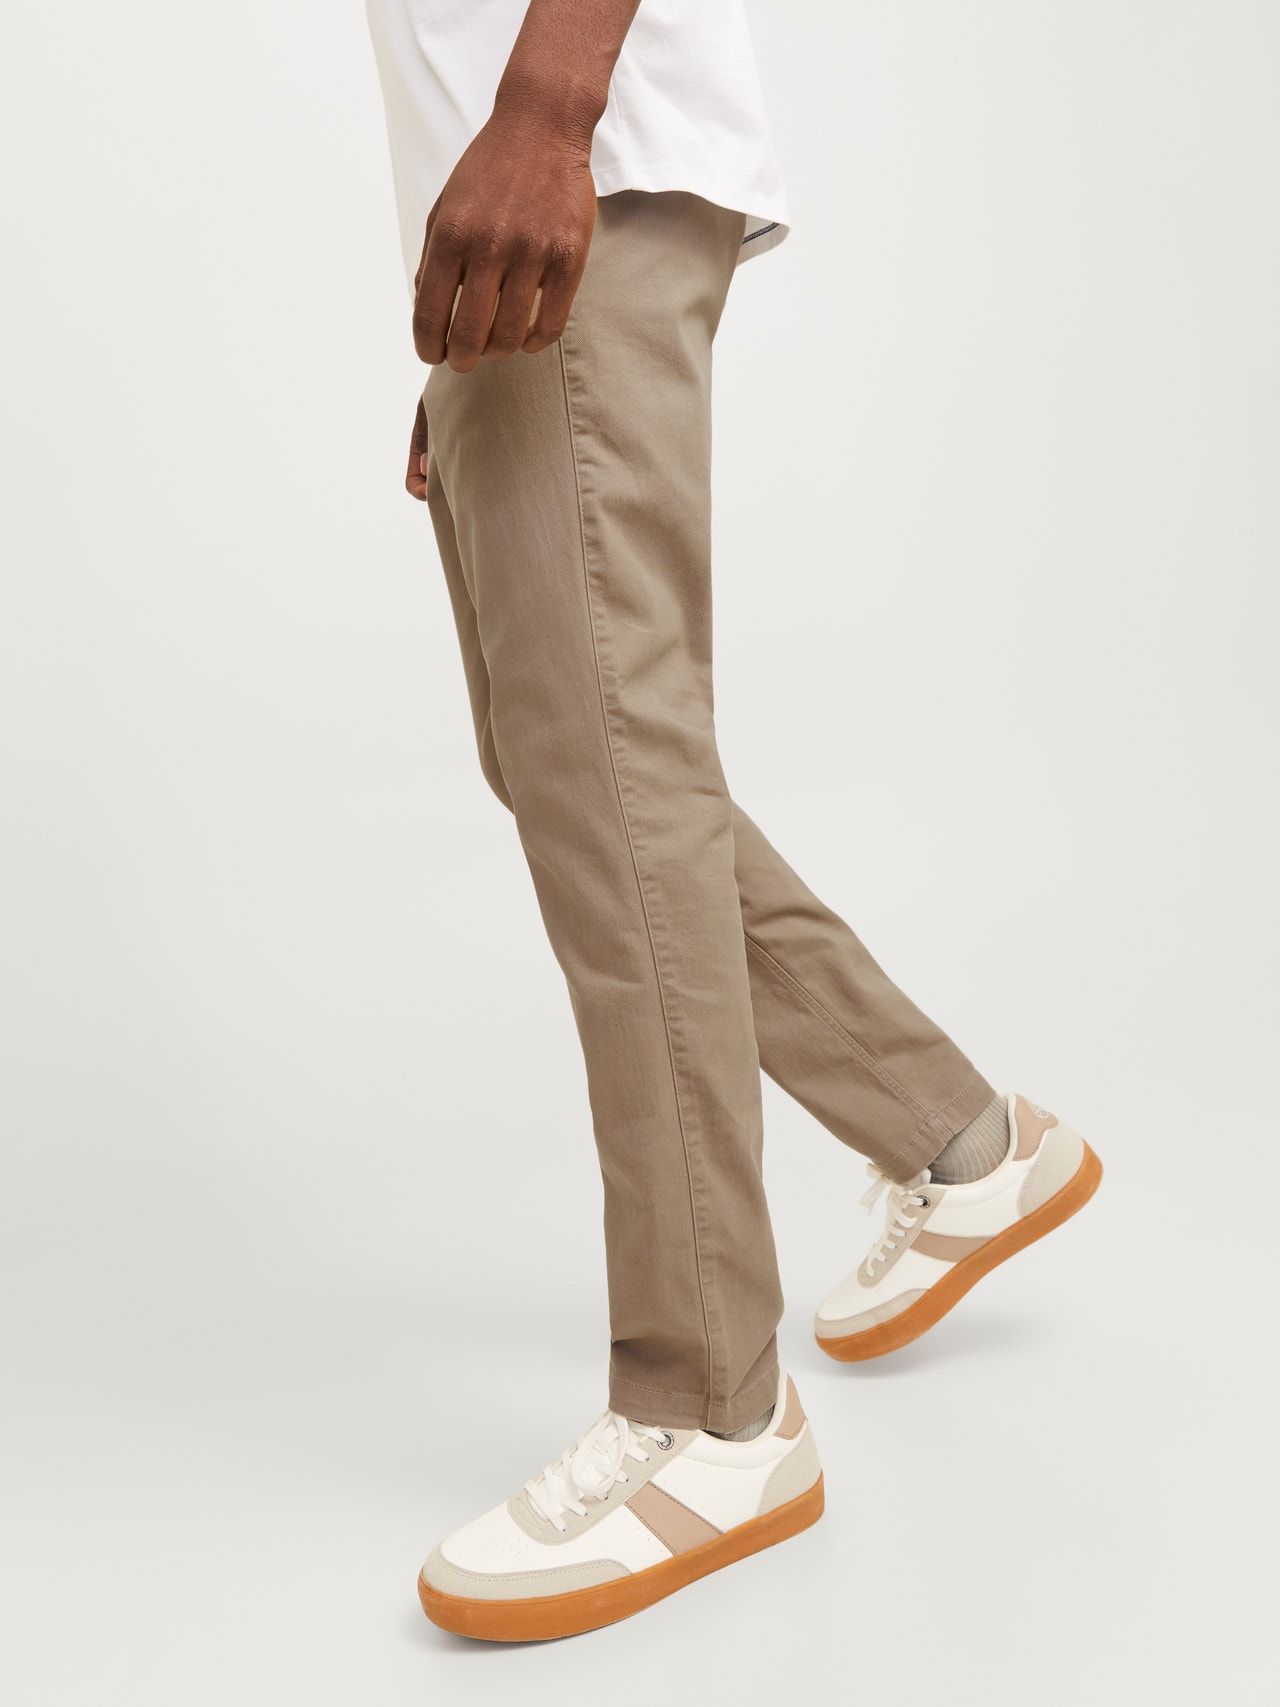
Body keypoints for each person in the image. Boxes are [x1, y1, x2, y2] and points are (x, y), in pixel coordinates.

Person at [364, 0, 1101, 1642]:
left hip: (582, 168)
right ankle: (960, 1141)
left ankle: (712, 1414)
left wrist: (546, 116)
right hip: (537, 207)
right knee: (578, 768)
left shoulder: (564, 129)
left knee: (610, 771)